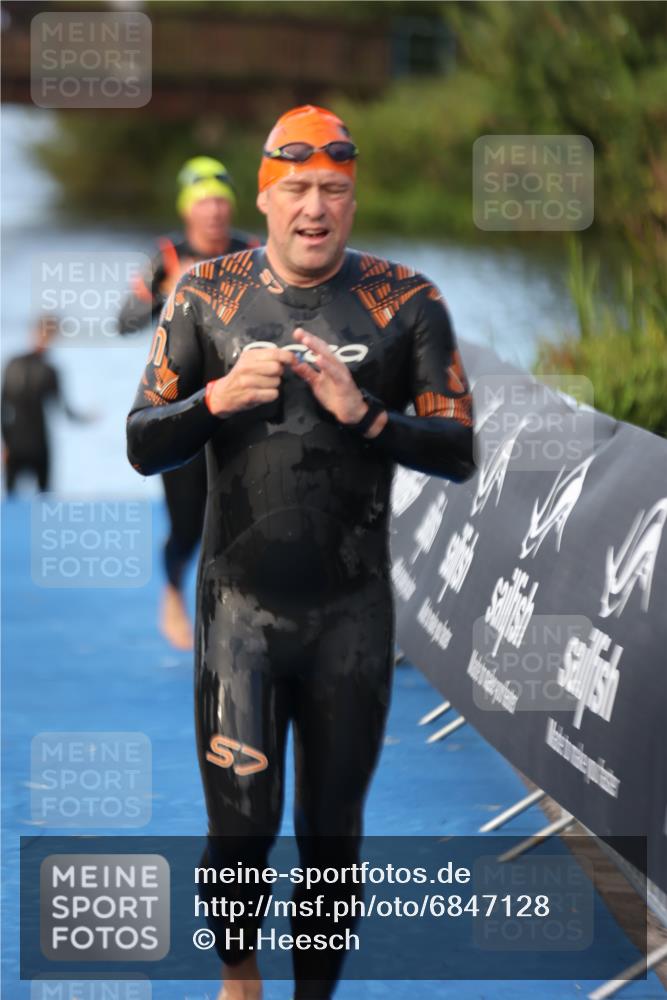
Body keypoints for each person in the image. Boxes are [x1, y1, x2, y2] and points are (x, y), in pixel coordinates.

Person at [126, 106, 475, 1000]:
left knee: (332, 832)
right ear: (264, 197)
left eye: (334, 191)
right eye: (297, 190)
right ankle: (238, 972)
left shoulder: (408, 300)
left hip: (351, 619)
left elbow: (457, 450)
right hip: (237, 613)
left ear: (352, 201)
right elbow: (140, 441)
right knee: (241, 828)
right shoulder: (205, 294)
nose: (314, 208)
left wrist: (365, 415)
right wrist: (212, 401)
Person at [118, 156, 259, 650]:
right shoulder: (167, 256)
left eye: (222, 202)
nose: (216, 213)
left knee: (252, 511)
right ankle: (173, 591)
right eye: (205, 204)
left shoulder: (253, 251)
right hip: (182, 405)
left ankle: (240, 609)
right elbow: (124, 321)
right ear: (187, 213)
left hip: (244, 403)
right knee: (185, 523)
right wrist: (167, 291)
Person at [1, 315, 92, 494]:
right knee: (41, 505)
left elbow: (4, 406)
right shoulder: (50, 370)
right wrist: (87, 419)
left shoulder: (14, 363)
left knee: (12, 504)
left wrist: (6, 444)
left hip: (15, 443)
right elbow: (67, 412)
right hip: (37, 444)